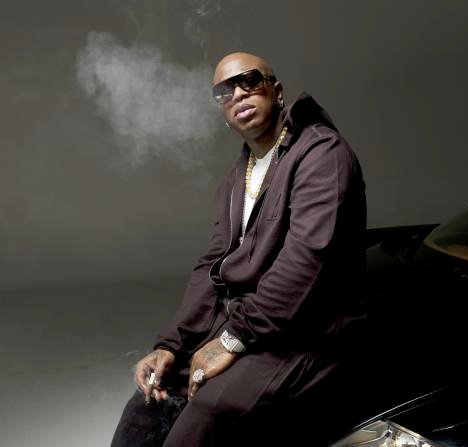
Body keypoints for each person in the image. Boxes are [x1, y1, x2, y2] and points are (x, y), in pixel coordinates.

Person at [111, 52, 366, 446]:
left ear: (277, 92)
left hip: (305, 334)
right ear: (223, 113)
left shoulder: (322, 153)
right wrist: (171, 345)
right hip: (249, 323)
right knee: (148, 404)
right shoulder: (237, 178)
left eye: (249, 81)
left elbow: (305, 264)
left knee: (207, 412)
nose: (238, 95)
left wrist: (231, 340)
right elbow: (212, 265)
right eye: (224, 92)